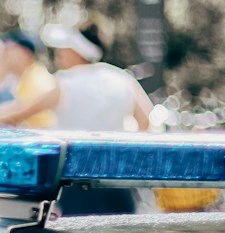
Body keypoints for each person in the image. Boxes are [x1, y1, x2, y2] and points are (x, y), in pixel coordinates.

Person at [35, 23, 154, 216]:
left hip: (76, 178)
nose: (60, 54)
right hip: (116, 177)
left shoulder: (65, 81)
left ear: (78, 51)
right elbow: (146, 120)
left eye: (65, 49)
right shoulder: (122, 78)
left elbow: (20, 112)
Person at [0, 30, 58, 128]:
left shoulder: (37, 78)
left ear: (25, 53)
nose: (4, 54)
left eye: (9, 49)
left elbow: (32, 106)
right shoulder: (27, 77)